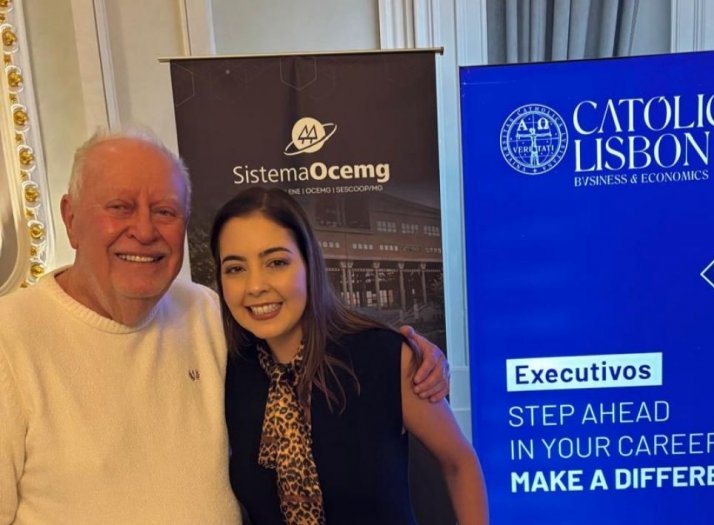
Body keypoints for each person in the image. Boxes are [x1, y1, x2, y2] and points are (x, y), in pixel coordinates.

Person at [0, 129, 450, 524]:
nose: (144, 230)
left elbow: (307, 334)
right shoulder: (10, 340)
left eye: (165, 211)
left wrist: (412, 353)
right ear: (71, 217)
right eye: (120, 206)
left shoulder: (205, 313)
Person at [213, 187, 488, 525]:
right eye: (235, 268)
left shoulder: (384, 357)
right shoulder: (230, 373)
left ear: (308, 263)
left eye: (276, 262)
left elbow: (459, 463)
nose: (255, 286)